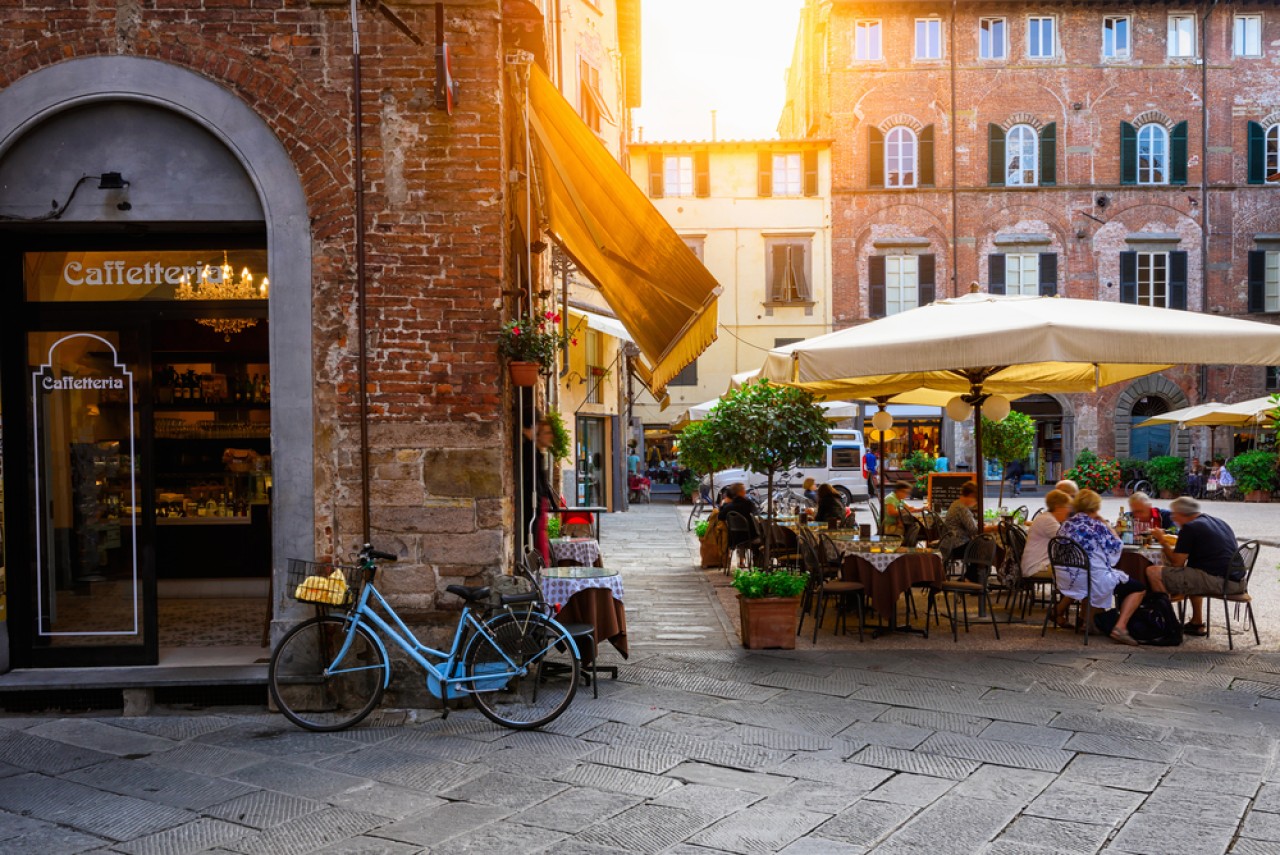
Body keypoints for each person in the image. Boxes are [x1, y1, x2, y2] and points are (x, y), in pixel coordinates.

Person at [1115, 496, 1242, 640]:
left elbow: (1177, 563)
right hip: (1235, 579)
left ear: (1183, 514)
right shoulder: (1218, 522)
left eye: (1174, 515)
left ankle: (1169, 624)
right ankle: (1196, 622)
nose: (1173, 518)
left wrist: (1162, 539)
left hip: (1220, 581)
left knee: (1153, 572)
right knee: (1193, 568)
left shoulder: (1190, 527)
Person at [1053, 489, 1136, 633]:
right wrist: (1104, 522)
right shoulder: (1096, 526)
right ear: (1096, 507)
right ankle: (1119, 627)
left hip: (1066, 578)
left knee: (1091, 569)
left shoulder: (1066, 524)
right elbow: (1116, 547)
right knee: (1138, 588)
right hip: (1090, 579)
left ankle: (1087, 622)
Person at [938, 481, 998, 582]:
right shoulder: (961, 508)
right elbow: (974, 530)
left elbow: (971, 526)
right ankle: (972, 579)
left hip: (951, 543)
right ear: (971, 495)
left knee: (982, 546)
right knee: (985, 548)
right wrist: (993, 528)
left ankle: (971, 577)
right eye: (975, 499)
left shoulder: (957, 504)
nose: (975, 503)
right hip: (956, 545)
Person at [526, 416, 560, 567]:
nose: (550, 436)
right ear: (538, 434)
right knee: (539, 550)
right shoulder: (531, 454)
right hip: (535, 508)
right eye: (546, 432)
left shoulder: (538, 454)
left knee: (543, 549)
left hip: (540, 507)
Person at [1021, 489, 1071, 578]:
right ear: (1058, 507)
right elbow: (1067, 541)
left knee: (1075, 570)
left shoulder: (1047, 518)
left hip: (1039, 564)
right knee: (1075, 571)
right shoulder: (1048, 521)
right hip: (1036, 568)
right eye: (1067, 507)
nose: (1068, 511)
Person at [722, 482, 760, 551]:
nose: (745, 491)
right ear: (741, 492)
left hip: (734, 538)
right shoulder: (748, 503)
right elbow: (757, 515)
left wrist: (724, 504)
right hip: (749, 537)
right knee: (763, 538)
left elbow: (720, 517)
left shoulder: (728, 507)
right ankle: (757, 559)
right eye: (744, 489)